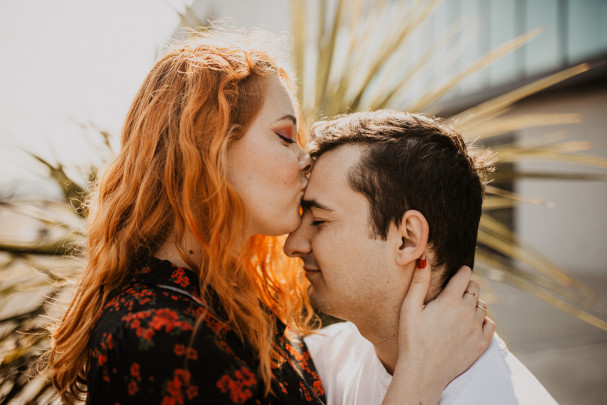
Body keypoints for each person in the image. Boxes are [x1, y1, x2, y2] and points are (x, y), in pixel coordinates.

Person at [48, 31, 492, 405]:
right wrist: (421, 376)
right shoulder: (159, 333)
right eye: (284, 136)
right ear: (208, 147)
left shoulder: (230, 305)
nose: (305, 159)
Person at [285, 110, 557, 405]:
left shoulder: (502, 396)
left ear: (407, 239)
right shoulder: (321, 363)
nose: (293, 245)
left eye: (320, 220)